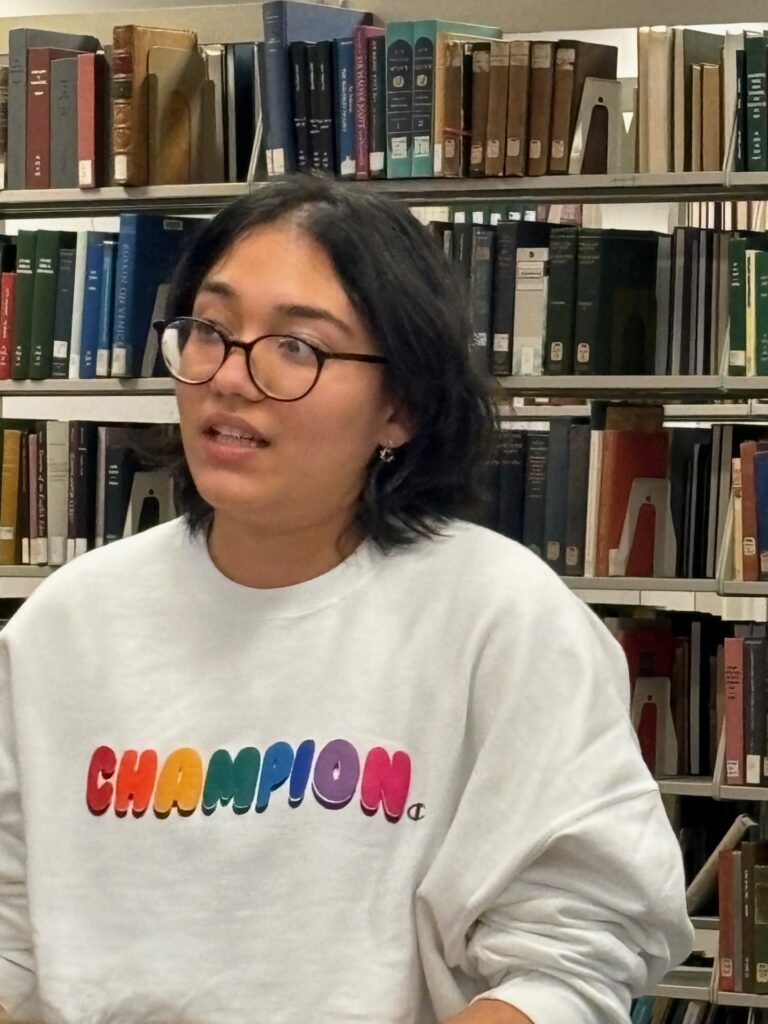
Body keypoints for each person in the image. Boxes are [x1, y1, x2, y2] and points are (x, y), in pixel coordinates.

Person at [0, 175, 693, 1024]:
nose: (230, 376)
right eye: (211, 330)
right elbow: (11, 942)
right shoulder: (66, 626)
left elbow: (575, 951)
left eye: (297, 347)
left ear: (398, 405)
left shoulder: (499, 617)